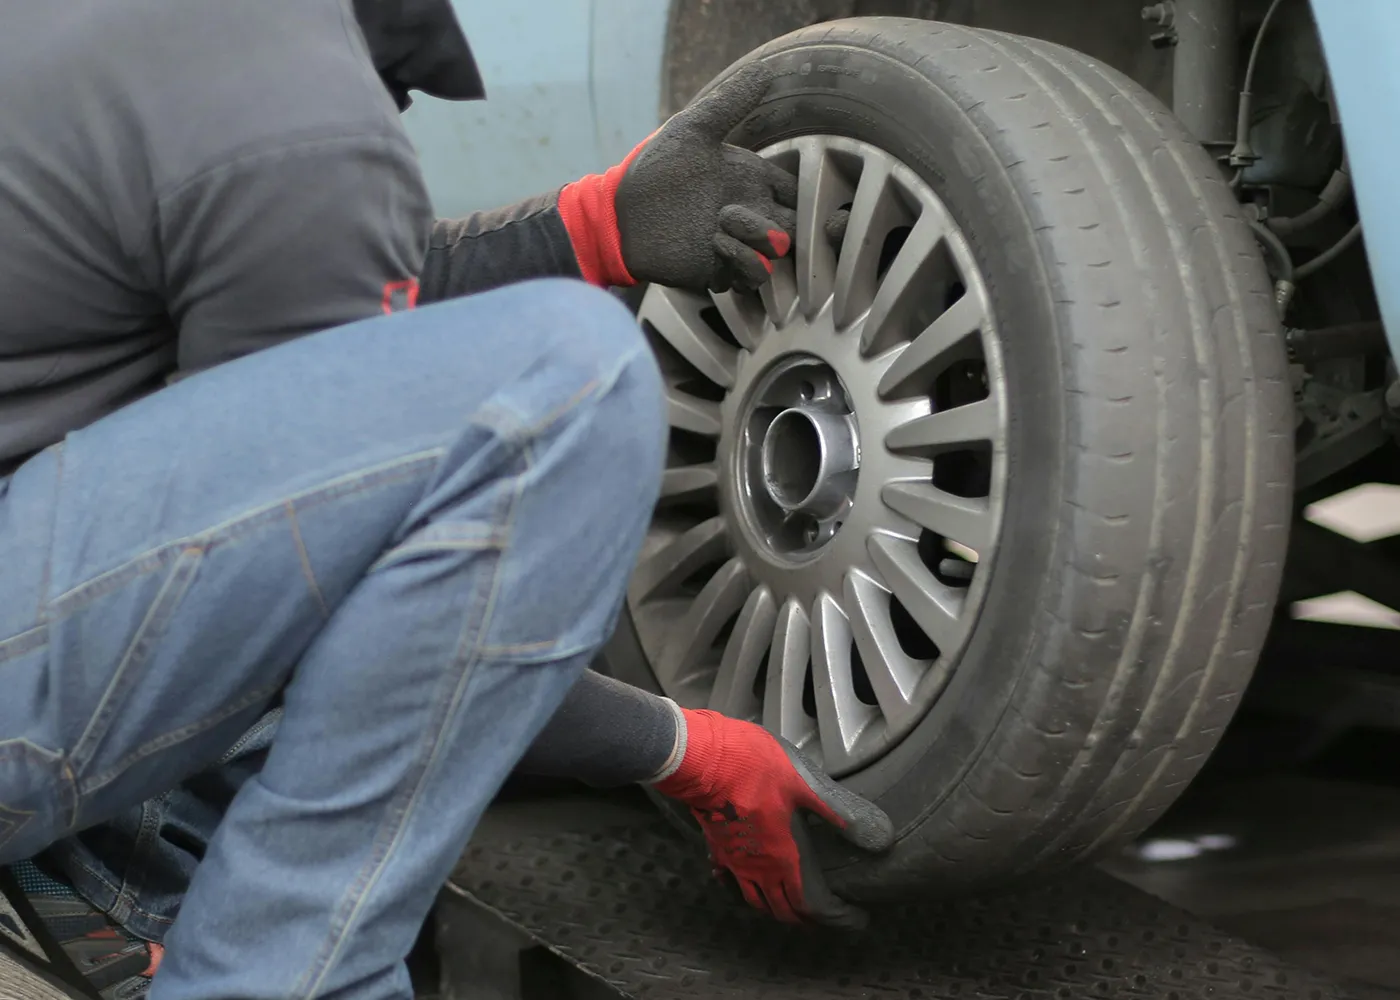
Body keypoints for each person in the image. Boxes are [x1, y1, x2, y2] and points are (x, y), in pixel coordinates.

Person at [0, 2, 894, 998]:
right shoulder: (298, 106)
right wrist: (679, 747)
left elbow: (287, 314)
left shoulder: (144, 41)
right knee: (571, 379)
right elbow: (333, 598)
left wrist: (590, 227)